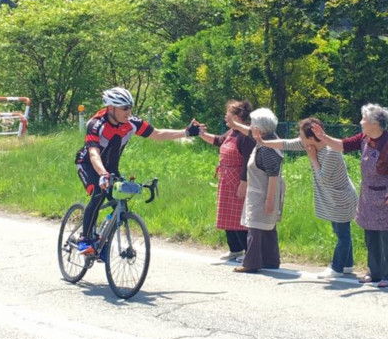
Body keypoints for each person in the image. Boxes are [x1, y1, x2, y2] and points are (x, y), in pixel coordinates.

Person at [75, 87, 201, 255]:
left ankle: (103, 236)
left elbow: (157, 134)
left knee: (122, 198)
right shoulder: (96, 124)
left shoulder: (131, 123)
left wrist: (186, 132)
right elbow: (93, 153)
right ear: (111, 108)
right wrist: (103, 174)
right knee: (99, 193)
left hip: (111, 167)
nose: (129, 112)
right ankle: (85, 239)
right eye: (125, 108)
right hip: (88, 164)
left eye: (130, 107)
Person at [313, 104, 388, 288]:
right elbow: (342, 145)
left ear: (374, 123)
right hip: (368, 195)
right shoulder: (364, 138)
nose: (361, 122)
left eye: (364, 119)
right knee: (371, 235)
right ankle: (374, 273)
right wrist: (323, 137)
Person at [249, 117, 359, 279]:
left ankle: (337, 267)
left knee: (342, 234)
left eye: (301, 135)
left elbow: (322, 178)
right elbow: (286, 144)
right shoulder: (309, 144)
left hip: (341, 198)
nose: (299, 139)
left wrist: (312, 158)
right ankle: (347, 265)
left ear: (311, 137)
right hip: (332, 197)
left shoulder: (331, 152)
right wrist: (264, 143)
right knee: (341, 231)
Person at [198, 100, 256, 261]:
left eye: (228, 113)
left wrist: (244, 183)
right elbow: (218, 141)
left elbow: (248, 162)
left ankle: (246, 250)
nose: (225, 115)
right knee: (226, 214)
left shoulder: (246, 136)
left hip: (238, 179)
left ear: (237, 117)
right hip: (227, 178)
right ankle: (235, 249)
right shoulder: (232, 132)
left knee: (239, 217)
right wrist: (201, 134)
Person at [232, 108, 285, 273]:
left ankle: (251, 263)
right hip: (262, 191)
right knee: (268, 227)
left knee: (255, 227)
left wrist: (269, 200)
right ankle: (271, 260)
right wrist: (233, 124)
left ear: (260, 128)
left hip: (263, 192)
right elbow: (248, 131)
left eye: (253, 123)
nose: (251, 126)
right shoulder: (267, 139)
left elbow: (273, 176)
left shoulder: (267, 149)